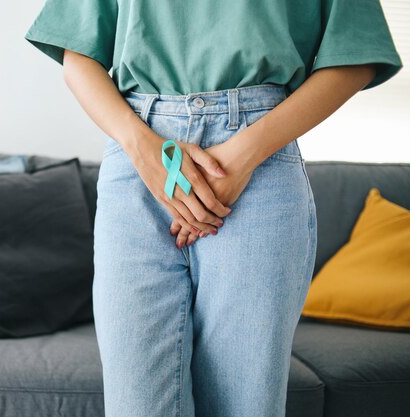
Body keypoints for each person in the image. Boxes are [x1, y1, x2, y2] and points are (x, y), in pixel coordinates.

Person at [24, 1, 403, 416]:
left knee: (245, 403)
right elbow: (77, 53)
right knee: (138, 405)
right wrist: (143, 149)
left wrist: (243, 156)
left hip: (257, 158)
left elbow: (355, 56)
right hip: (137, 156)